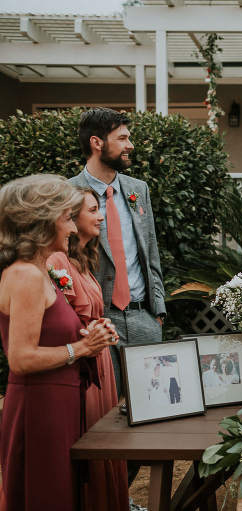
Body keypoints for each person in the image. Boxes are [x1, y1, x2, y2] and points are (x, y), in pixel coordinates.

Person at [0, 174, 116, 511]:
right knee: (46, 496)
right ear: (42, 222)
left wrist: (90, 336)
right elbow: (20, 358)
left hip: (58, 404)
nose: (72, 227)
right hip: (40, 412)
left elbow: (51, 333)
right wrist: (81, 349)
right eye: (67, 218)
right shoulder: (26, 276)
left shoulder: (37, 271)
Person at [69, 108, 166, 399]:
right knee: (104, 413)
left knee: (153, 404)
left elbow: (151, 251)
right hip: (97, 324)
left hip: (143, 319)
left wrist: (157, 310)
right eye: (122, 138)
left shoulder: (139, 190)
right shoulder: (67, 193)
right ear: (97, 143)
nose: (130, 145)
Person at [46, 187, 129, 511]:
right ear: (69, 217)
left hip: (101, 360)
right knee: (92, 446)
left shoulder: (83, 259)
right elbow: (59, 322)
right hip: (82, 367)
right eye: (92, 210)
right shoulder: (56, 260)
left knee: (108, 442)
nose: (99, 217)